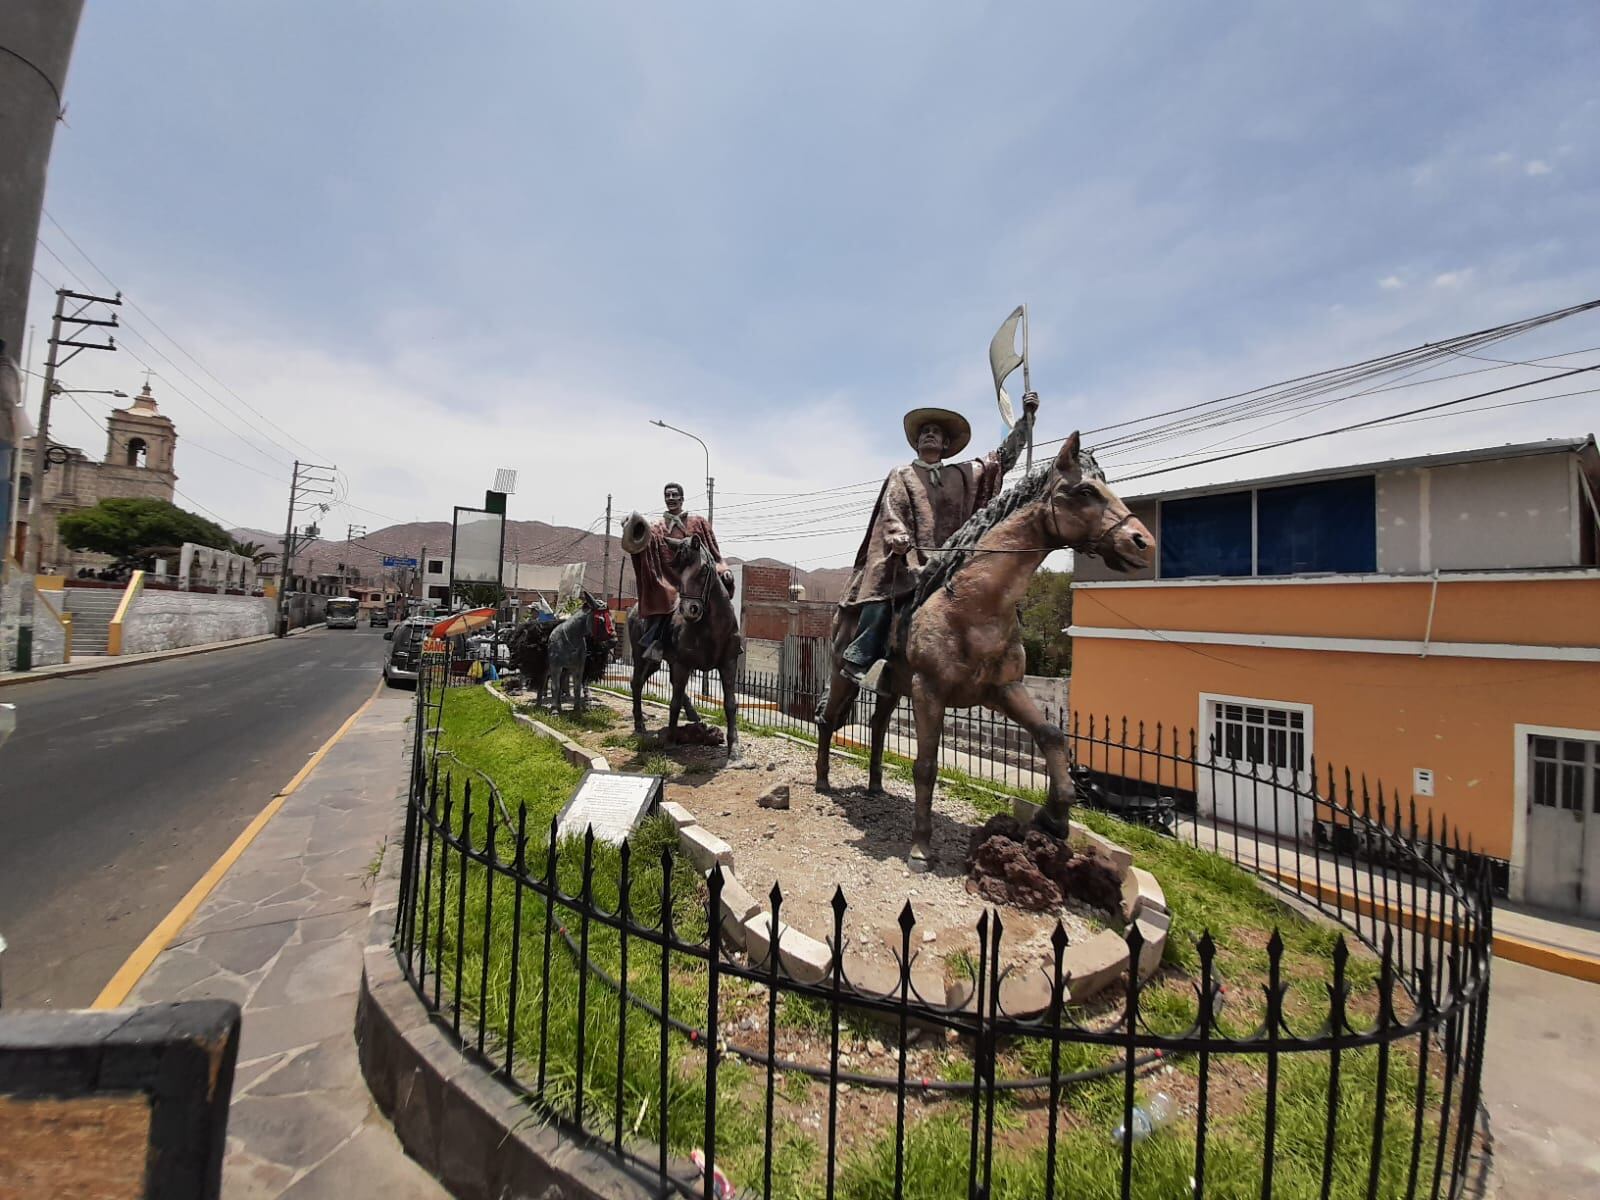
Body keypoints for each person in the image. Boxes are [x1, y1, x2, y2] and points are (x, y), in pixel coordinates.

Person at [837, 394, 1037, 688]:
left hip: (948, 559)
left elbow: (1001, 460)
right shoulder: (902, 474)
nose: (930, 435)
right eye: (925, 432)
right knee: (882, 591)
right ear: (917, 442)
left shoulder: (963, 474)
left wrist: (1027, 420)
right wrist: (897, 535)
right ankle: (861, 657)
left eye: (936, 432)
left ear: (945, 444)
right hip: (908, 557)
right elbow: (891, 509)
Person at [627, 482, 732, 666]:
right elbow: (643, 549)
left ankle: (732, 640)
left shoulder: (698, 523)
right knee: (665, 599)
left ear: (682, 498)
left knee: (720, 601)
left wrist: (724, 569)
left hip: (696, 579)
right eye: (667, 495)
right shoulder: (656, 528)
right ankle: (656, 641)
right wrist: (632, 529)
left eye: (675, 495)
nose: (671, 498)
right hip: (670, 580)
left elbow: (714, 552)